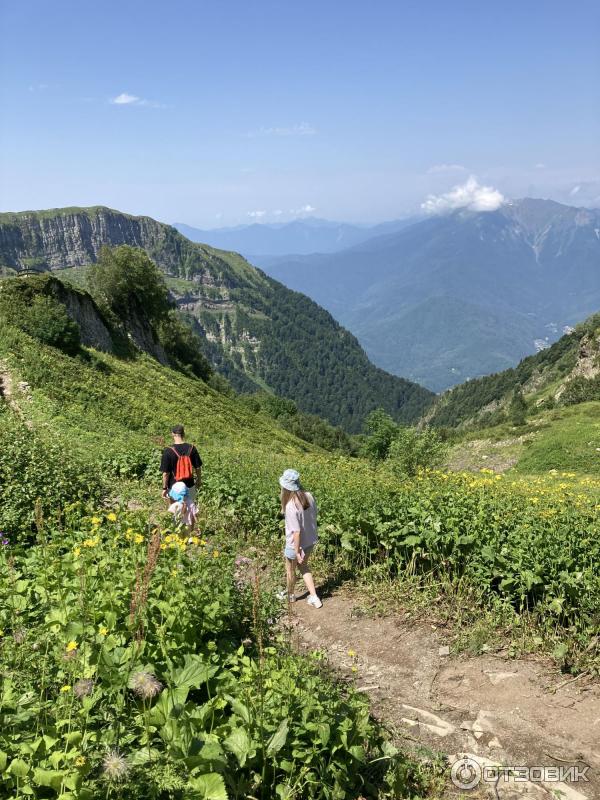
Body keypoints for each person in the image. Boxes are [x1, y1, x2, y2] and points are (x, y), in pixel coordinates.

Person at [278, 468, 322, 608]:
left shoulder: (291, 505)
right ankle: (314, 597)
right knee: (304, 567)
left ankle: (290, 595)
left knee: (290, 570)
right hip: (310, 541)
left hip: (294, 545)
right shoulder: (309, 496)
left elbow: (296, 532)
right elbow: (314, 515)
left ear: (285, 487)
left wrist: (296, 552)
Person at [160, 425, 202, 530]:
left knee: (176, 509)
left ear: (173, 434)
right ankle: (190, 533)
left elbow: (166, 473)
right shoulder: (192, 448)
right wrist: (199, 480)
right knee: (190, 508)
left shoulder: (168, 450)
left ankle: (177, 532)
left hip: (174, 486)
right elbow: (198, 467)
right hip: (189, 485)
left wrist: (164, 488)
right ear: (183, 434)